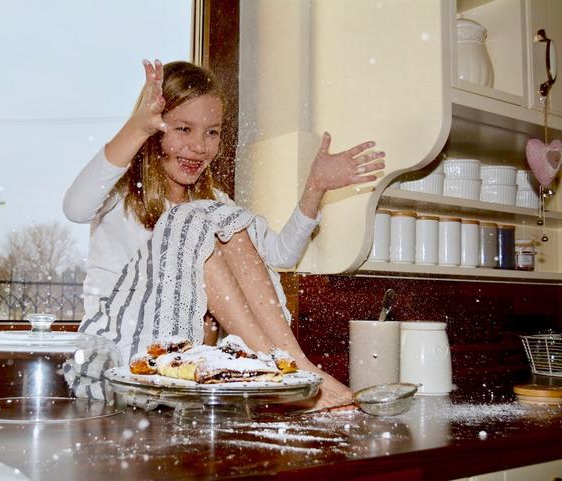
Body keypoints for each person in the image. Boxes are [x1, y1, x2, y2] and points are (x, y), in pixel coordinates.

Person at [63, 59, 385, 409]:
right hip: (116, 359)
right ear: (155, 130)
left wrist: (315, 188)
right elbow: (75, 208)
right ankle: (290, 373)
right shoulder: (121, 193)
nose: (199, 146)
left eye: (212, 132)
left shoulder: (214, 204)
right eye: (183, 129)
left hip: (179, 368)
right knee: (197, 221)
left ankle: (292, 365)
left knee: (223, 227)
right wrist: (136, 127)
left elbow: (281, 256)